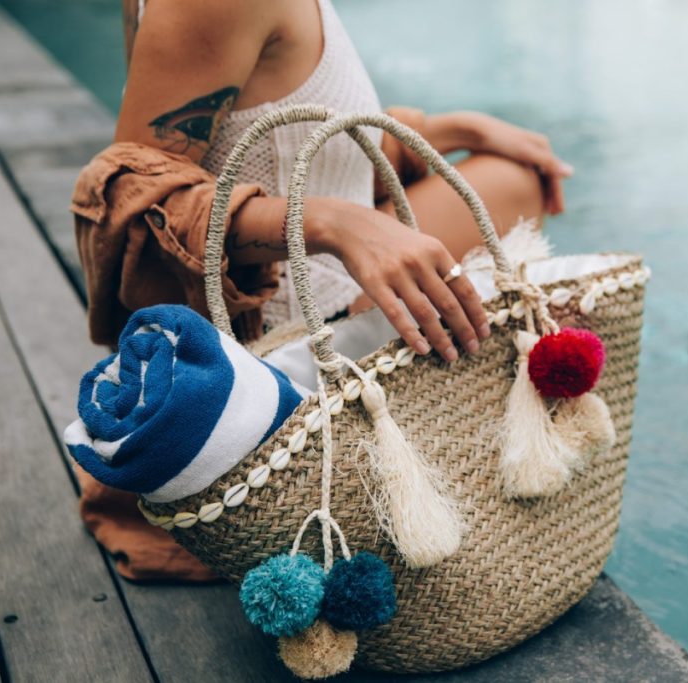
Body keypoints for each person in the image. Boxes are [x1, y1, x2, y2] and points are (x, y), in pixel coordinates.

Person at [70, 0, 572, 581]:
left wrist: (450, 130)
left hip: (303, 295)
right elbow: (133, 205)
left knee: (510, 181)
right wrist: (333, 225)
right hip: (265, 378)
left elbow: (294, 148)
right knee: (507, 194)